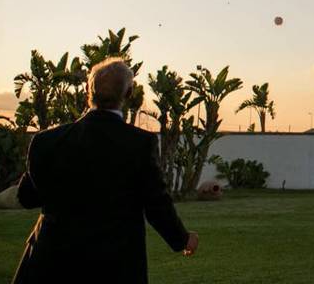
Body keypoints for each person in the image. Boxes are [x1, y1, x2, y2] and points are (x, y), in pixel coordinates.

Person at [12, 58, 198, 284]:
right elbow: (156, 204)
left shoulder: (46, 141)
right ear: (128, 93)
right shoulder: (139, 144)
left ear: (88, 90)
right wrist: (182, 239)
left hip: (50, 264)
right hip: (113, 266)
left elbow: (27, 197)